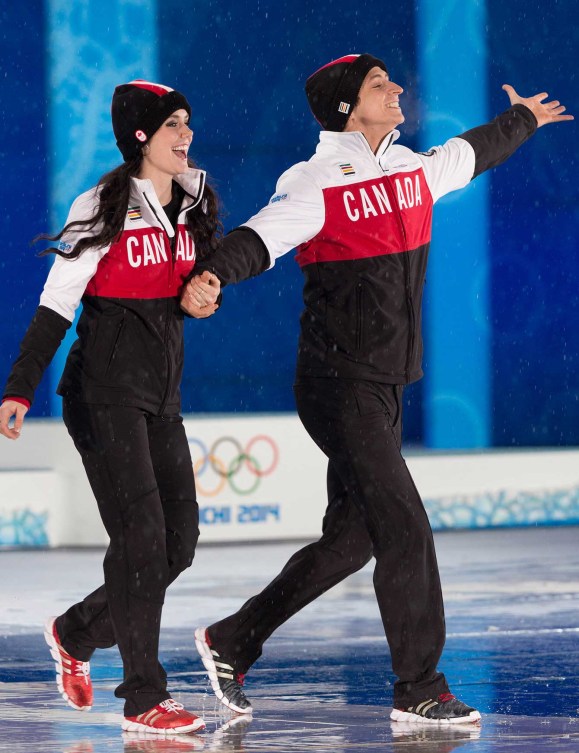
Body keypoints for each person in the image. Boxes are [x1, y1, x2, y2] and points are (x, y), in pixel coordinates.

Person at [181, 54, 573, 724]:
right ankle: (418, 685)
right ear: (344, 107)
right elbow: (258, 237)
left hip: (385, 385)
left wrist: (522, 119)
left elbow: (469, 151)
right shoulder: (314, 181)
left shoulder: (410, 168)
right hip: (337, 384)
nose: (396, 89)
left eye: (392, 80)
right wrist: (212, 274)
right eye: (377, 84)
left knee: (355, 538)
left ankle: (233, 637)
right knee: (404, 524)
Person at [0, 79, 221, 734]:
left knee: (177, 544)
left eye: (188, 120)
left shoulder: (195, 198)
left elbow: (196, 284)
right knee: (141, 538)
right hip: (101, 393)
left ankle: (75, 631)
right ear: (140, 136)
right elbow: (56, 303)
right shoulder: (100, 204)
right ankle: (144, 695)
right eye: (172, 123)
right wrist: (19, 385)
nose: (186, 133)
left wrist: (207, 295)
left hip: (161, 394)